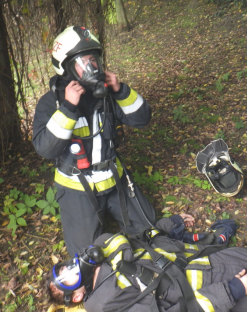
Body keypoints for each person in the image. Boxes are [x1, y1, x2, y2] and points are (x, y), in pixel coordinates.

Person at [32, 26, 156, 256]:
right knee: (88, 258)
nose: (92, 67)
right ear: (66, 67)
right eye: (84, 61)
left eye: (94, 59)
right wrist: (69, 107)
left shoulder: (108, 94)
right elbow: (45, 149)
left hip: (114, 179)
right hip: (76, 188)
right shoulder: (52, 103)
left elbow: (142, 118)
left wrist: (120, 90)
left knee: (151, 232)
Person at [47, 214, 247, 312]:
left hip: (209, 259)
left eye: (65, 267)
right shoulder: (106, 299)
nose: (73, 266)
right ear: (77, 295)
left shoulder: (104, 247)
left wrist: (170, 224)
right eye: (67, 277)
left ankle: (217, 238)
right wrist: (231, 292)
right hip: (219, 285)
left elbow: (142, 241)